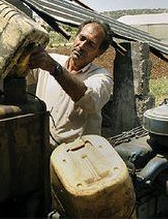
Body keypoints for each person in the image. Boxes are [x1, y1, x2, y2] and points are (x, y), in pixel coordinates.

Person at [28, 19, 114, 149]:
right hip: (42, 147)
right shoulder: (53, 60)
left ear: (99, 52)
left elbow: (90, 101)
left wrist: (54, 69)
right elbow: (21, 72)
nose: (82, 45)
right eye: (82, 38)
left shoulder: (102, 77)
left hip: (75, 156)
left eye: (90, 44)